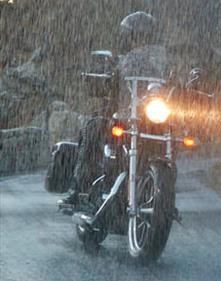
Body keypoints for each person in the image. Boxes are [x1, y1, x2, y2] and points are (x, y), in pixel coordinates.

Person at [59, 11, 167, 210]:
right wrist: (104, 79)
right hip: (123, 114)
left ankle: (163, 197)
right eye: (137, 35)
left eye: (144, 35)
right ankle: (79, 188)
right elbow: (108, 85)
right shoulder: (120, 62)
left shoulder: (164, 64)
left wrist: (190, 87)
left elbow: (175, 84)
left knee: (174, 135)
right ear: (129, 37)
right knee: (93, 128)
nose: (140, 40)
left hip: (152, 117)